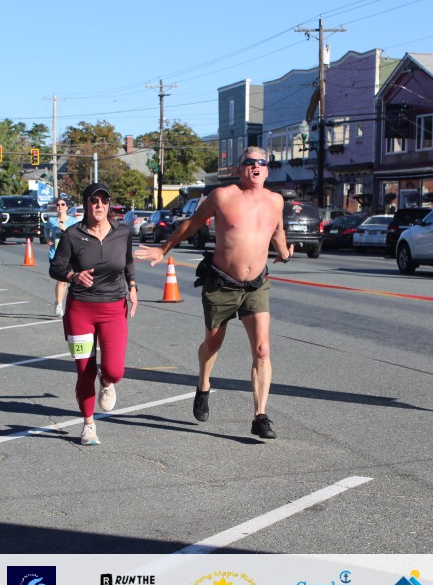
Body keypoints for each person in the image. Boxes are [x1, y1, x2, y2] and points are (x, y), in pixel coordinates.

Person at [135, 146, 294, 440]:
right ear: (239, 169)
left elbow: (277, 231)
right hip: (221, 283)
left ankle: (260, 416)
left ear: (267, 170)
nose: (255, 166)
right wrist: (163, 249)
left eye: (261, 162)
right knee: (213, 342)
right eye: (249, 162)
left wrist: (284, 253)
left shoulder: (276, 201)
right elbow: (190, 224)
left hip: (256, 284)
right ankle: (203, 384)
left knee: (262, 349)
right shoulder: (222, 196)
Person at [49, 182, 138, 446]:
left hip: (114, 308)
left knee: (115, 370)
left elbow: (128, 261)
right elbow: (55, 267)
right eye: (94, 200)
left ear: (109, 204)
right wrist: (73, 276)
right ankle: (88, 425)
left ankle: (107, 382)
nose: (99, 205)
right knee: (84, 372)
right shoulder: (72, 235)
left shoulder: (122, 232)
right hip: (80, 310)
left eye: (104, 200)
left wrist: (133, 286)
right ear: (86, 204)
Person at [46, 199, 78, 317]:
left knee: (64, 281)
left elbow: (76, 236)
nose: (60, 206)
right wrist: (48, 238)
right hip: (55, 253)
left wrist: (65, 229)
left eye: (63, 204)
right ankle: (59, 304)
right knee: (61, 280)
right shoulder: (52, 221)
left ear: (67, 207)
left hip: (68, 254)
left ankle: (59, 303)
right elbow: (46, 228)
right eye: (58, 204)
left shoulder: (72, 221)